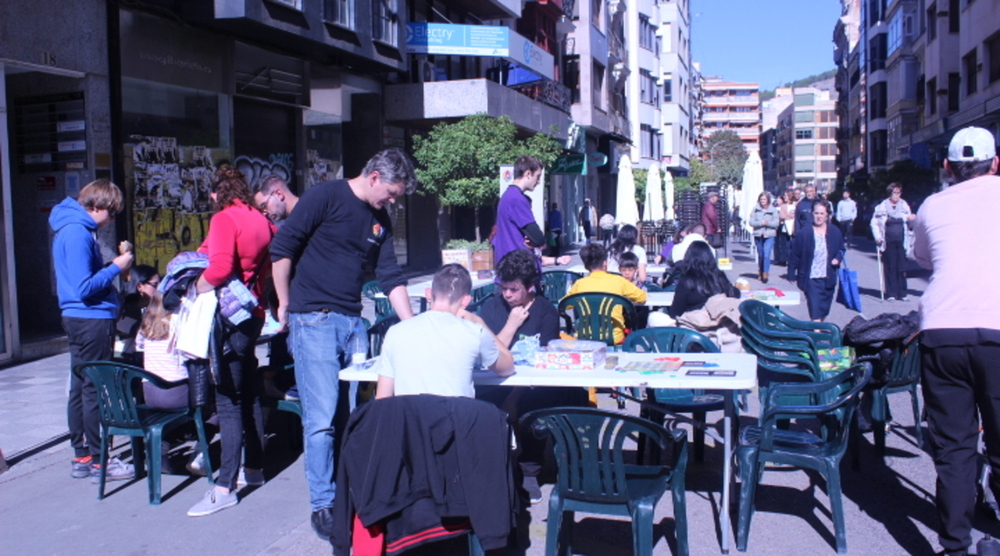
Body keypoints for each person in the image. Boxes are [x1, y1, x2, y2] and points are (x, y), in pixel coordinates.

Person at [270, 148, 417, 541]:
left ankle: (348, 490)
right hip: (314, 319)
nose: (393, 200)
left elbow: (391, 275)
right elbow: (282, 249)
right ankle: (323, 502)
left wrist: (415, 327)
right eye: (391, 192)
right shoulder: (325, 196)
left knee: (351, 417)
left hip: (353, 324)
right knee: (320, 419)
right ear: (373, 177)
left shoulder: (379, 219)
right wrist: (285, 303)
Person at [912, 126, 1000, 556]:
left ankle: (955, 547)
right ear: (996, 163)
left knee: (955, 449)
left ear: (946, 167)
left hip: (943, 330)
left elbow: (924, 258)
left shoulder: (931, 205)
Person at [186, 166, 274, 518]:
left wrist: (192, 288)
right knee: (248, 389)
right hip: (252, 315)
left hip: (228, 321)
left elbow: (220, 269)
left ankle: (225, 486)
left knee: (227, 401)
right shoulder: (261, 219)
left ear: (215, 193)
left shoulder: (225, 219)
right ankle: (253, 468)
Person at [478, 248, 584, 504]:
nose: (508, 294)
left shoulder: (546, 311)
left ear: (530, 287)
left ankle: (529, 470)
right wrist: (511, 325)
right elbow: (489, 354)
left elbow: (543, 362)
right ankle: (497, 469)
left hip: (531, 385)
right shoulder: (492, 309)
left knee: (538, 402)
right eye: (504, 288)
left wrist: (514, 399)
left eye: (514, 289)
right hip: (495, 381)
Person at [50, 179, 135, 482]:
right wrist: (116, 265)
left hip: (81, 317)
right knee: (93, 388)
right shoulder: (77, 233)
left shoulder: (75, 229)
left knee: (80, 384)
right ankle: (101, 460)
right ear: (97, 206)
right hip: (91, 318)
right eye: (111, 213)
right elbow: (85, 287)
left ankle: (84, 455)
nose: (111, 220)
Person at [374, 264, 514, 399]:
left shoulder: (395, 332)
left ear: (428, 293)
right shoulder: (475, 332)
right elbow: (507, 368)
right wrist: (481, 323)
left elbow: (382, 398)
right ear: (466, 301)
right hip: (456, 421)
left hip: (409, 421)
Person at [136, 291, 190, 474]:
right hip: (175, 393)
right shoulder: (179, 325)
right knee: (214, 404)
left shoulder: (145, 328)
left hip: (150, 393)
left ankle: (163, 447)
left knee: (171, 415)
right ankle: (200, 452)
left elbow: (138, 346)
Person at [566, 243, 647, 345]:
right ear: (605, 263)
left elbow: (567, 305)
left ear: (585, 266)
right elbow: (642, 297)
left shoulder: (579, 284)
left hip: (585, 336)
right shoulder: (619, 281)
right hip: (614, 337)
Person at [788, 199, 844, 322]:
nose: (819, 216)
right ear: (812, 214)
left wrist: (838, 259)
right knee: (815, 310)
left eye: (822, 214)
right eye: (816, 213)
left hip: (828, 277)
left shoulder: (835, 231)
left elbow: (841, 250)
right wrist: (791, 273)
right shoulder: (804, 233)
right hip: (811, 278)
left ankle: (817, 331)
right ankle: (816, 336)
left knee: (824, 309)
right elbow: (794, 255)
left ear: (827, 215)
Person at [666, 241, 740, 320]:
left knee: (655, 317)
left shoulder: (687, 280)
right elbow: (734, 294)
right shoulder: (719, 276)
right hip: (719, 323)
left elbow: (675, 312)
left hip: (694, 325)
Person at [493, 156, 546, 264]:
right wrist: (534, 241)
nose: (539, 181)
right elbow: (538, 238)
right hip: (518, 268)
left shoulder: (508, 196)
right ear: (528, 174)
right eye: (537, 176)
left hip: (510, 265)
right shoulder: (516, 199)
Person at [870, 183, 915, 301]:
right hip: (888, 241)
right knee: (890, 266)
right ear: (890, 193)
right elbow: (874, 223)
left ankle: (902, 293)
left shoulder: (904, 205)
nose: (897, 195)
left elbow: (909, 220)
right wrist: (877, 237)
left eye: (899, 192)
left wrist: (911, 220)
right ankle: (891, 293)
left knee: (901, 267)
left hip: (901, 241)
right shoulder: (882, 206)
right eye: (895, 192)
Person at [117, 264, 160, 365]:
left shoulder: (145, 307)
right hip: (123, 362)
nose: (159, 288)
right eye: (155, 285)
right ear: (140, 287)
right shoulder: (127, 310)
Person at [749, 192, 779, 283]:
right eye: (761, 199)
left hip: (769, 235)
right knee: (761, 255)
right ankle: (760, 272)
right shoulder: (755, 209)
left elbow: (776, 223)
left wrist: (768, 223)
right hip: (758, 234)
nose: (763, 201)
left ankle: (766, 274)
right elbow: (751, 222)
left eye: (764, 199)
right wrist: (760, 223)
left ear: (768, 200)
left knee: (766, 254)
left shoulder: (773, 210)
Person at [774, 189, 796, 265]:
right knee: (784, 244)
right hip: (785, 228)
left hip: (793, 227)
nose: (784, 197)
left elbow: (796, 215)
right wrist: (789, 215)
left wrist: (788, 216)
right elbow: (782, 216)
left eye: (786, 195)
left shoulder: (796, 205)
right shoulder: (783, 206)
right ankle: (785, 259)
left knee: (792, 244)